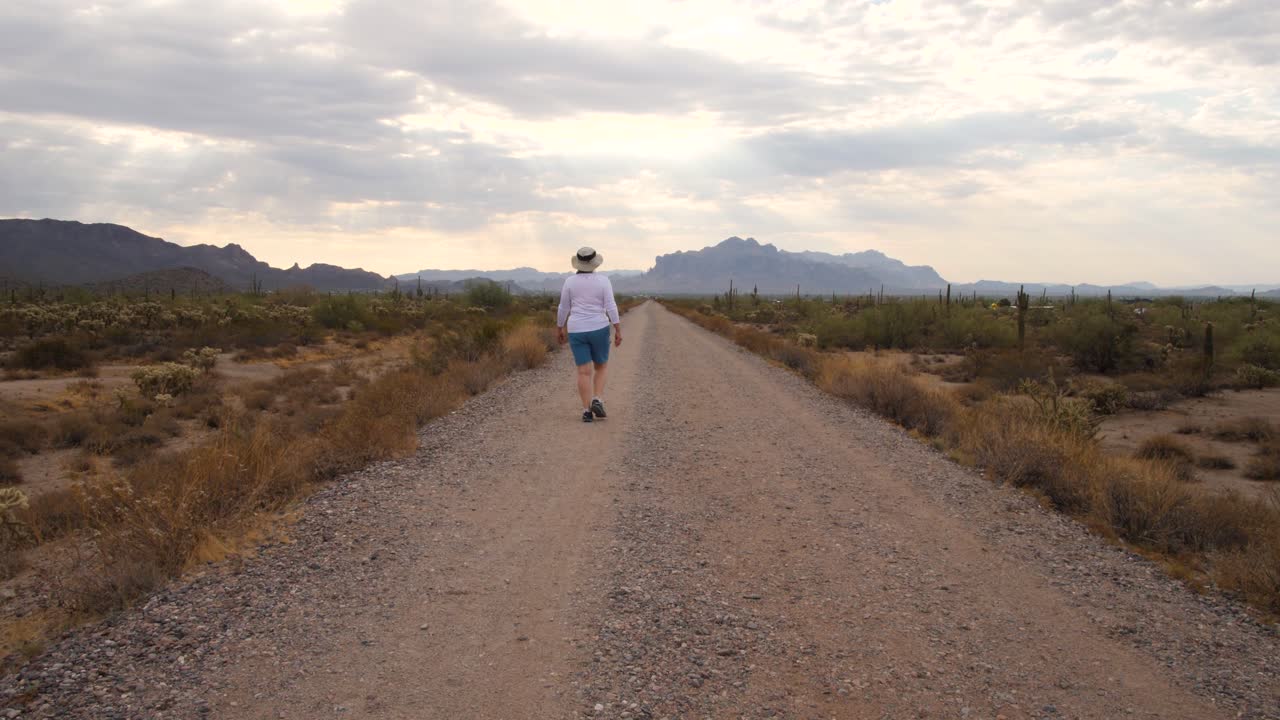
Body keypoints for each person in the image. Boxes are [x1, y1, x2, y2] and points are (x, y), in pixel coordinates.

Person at [556, 247, 622, 423]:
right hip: (599, 328)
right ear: (594, 263)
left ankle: (586, 411)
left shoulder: (569, 282)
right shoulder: (603, 281)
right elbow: (610, 305)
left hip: (576, 329)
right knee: (601, 366)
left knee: (583, 372)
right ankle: (597, 399)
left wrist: (559, 328)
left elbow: (563, 307)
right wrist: (618, 329)